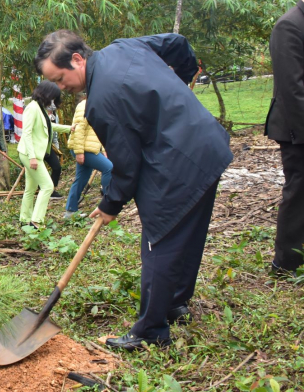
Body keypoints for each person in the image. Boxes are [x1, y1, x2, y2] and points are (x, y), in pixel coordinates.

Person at [35, 30, 233, 351]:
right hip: (208, 146)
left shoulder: (101, 101)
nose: (61, 87)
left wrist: (110, 204)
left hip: (177, 161)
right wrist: (182, 79)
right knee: (189, 232)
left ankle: (151, 330)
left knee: (159, 239)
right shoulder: (124, 47)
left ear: (76, 59)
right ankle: (174, 303)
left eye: (60, 78)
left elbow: (127, 166)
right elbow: (177, 44)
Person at [265, 0, 304, 277]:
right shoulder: (289, 25)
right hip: (296, 127)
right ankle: (286, 263)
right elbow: (293, 89)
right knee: (299, 191)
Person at [17, 82, 72, 227]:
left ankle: (24, 219)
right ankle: (36, 221)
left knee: (30, 188)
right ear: (45, 94)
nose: (53, 101)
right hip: (31, 154)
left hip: (36, 154)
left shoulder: (40, 108)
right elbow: (27, 133)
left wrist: (69, 128)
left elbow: (49, 126)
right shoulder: (32, 108)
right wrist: (32, 157)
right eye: (52, 97)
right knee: (47, 186)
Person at [63, 94, 113, 218]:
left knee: (81, 178)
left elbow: (98, 131)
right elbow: (79, 130)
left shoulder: (96, 105)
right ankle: (108, 203)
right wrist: (79, 152)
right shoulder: (85, 105)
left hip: (88, 148)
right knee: (109, 168)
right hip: (84, 149)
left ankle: (70, 210)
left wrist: (103, 149)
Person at [45, 98, 64, 200]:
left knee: (56, 167)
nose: (50, 112)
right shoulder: (38, 115)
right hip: (36, 148)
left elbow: (55, 133)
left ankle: (52, 190)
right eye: (49, 110)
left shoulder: (54, 117)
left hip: (48, 146)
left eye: (52, 111)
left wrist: (56, 149)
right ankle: (39, 189)